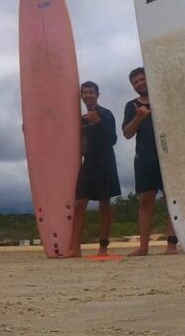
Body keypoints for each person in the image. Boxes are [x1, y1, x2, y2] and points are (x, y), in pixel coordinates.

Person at [123, 67, 185, 256]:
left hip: (170, 157)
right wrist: (139, 117)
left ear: (149, 78)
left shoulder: (165, 100)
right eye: (135, 82)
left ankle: (172, 245)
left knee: (171, 201)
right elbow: (127, 133)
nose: (140, 83)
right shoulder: (131, 105)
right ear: (132, 86)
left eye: (142, 79)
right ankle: (143, 247)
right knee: (145, 202)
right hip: (145, 159)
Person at [66, 81, 121, 258]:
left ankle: (103, 248)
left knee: (104, 205)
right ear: (81, 95)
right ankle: (75, 248)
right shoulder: (80, 119)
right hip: (88, 163)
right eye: (85, 92)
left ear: (98, 94)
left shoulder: (105, 114)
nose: (88, 95)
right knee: (79, 204)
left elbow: (113, 139)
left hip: (105, 163)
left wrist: (97, 122)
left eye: (91, 92)